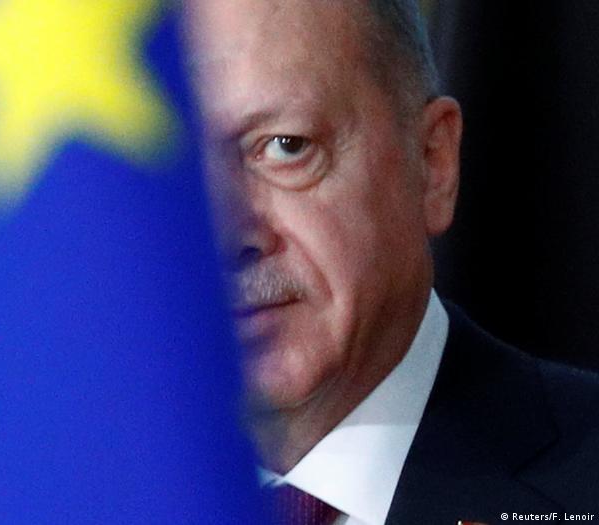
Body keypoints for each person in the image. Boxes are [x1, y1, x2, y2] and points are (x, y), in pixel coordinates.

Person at [186, 0, 599, 523]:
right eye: (177, 169)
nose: (226, 237)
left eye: (287, 147)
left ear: (432, 160)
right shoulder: (85, 485)